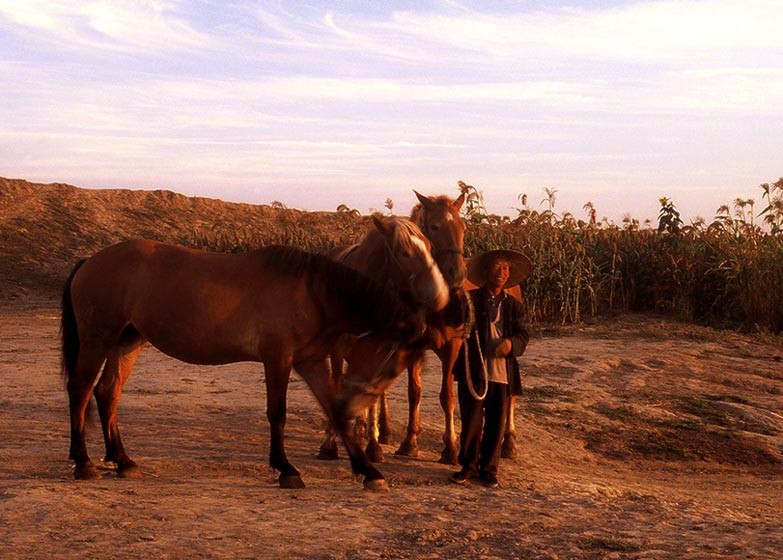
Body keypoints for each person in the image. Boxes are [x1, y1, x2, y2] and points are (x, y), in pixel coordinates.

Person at [450, 249, 531, 488]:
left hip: (502, 372)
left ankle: (489, 470)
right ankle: (468, 466)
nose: (501, 272)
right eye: (497, 267)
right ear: (486, 271)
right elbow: (455, 320)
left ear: (509, 275)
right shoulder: (470, 300)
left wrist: (511, 344)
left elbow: (523, 335)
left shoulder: (514, 306)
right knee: (472, 422)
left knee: (496, 425)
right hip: (474, 370)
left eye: (505, 268)